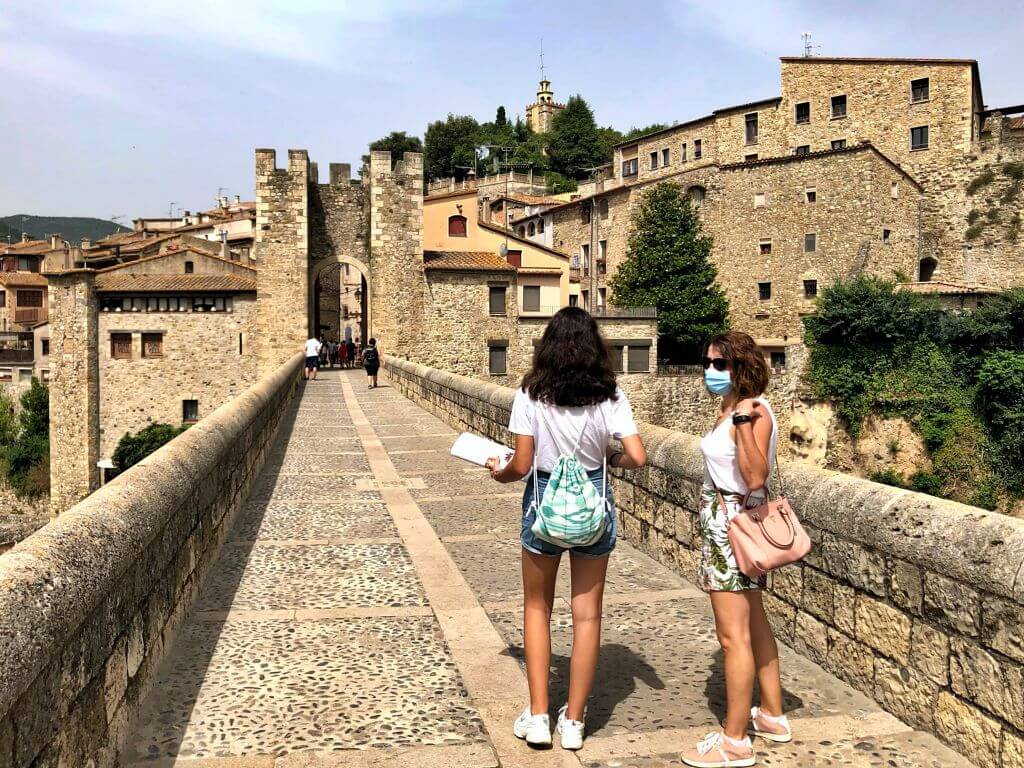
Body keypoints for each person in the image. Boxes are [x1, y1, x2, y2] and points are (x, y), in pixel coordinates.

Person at [486, 307, 647, 751]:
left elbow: (521, 466)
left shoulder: (530, 394)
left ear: (549, 348)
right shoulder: (610, 395)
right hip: (593, 504)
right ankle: (574, 721)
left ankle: (539, 715)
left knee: (536, 607)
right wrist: (611, 460)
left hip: (544, 504)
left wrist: (497, 471)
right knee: (587, 614)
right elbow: (638, 455)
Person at [680, 330, 789, 768]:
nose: (711, 371)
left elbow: (755, 476)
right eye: (707, 363)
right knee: (755, 620)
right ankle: (774, 716)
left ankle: (735, 741)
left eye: (720, 365)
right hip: (736, 521)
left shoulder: (752, 412)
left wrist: (743, 422)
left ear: (741, 368)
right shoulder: (734, 409)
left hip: (731, 524)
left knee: (732, 637)